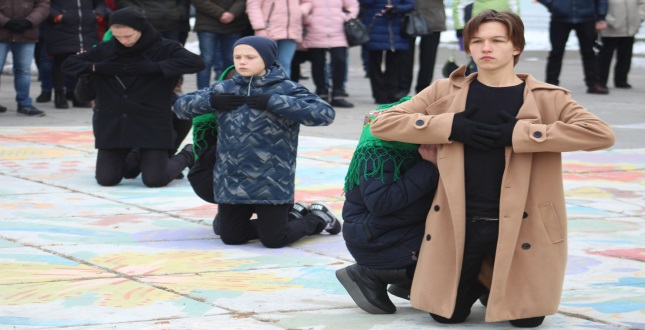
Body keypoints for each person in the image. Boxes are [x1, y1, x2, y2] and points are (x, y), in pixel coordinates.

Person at [370, 10, 615, 327]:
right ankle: (483, 281)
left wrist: (522, 134)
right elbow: (383, 123)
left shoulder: (547, 98)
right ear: (468, 48)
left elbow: (600, 134)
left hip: (523, 226)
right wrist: (448, 126)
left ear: (516, 47)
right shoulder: (445, 91)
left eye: (497, 40)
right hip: (459, 222)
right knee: (447, 316)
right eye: (477, 41)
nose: (486, 48)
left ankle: (495, 281)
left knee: (527, 321)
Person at [173, 36, 341, 248]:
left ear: (267, 58)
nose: (242, 62)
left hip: (271, 181)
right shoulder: (225, 88)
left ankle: (318, 218)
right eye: (238, 57)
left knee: (274, 240)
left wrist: (275, 101)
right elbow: (180, 107)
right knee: (231, 238)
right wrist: (211, 101)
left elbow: (325, 114)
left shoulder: (287, 89)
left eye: (250, 57)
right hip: (232, 180)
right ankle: (294, 216)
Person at [61, 7, 205, 187]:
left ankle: (188, 154)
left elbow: (197, 62)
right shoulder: (106, 50)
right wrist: (97, 68)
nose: (123, 41)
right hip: (114, 123)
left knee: (154, 180)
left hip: (151, 123)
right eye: (117, 36)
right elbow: (69, 64)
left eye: (128, 36)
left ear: (141, 29)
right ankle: (139, 154)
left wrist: (153, 68)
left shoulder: (163, 47)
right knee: (107, 179)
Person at [335, 99, 440, 314]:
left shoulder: (409, 149)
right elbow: (382, 202)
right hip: (377, 240)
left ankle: (408, 281)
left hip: (394, 232)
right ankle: (371, 273)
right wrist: (429, 168)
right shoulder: (379, 152)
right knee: (455, 263)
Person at [536, 0, 609, 94]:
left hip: (586, 18)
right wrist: (553, 5)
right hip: (560, 18)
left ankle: (593, 84)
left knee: (589, 52)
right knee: (556, 52)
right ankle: (551, 83)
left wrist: (601, 17)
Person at [45, 0, 105, 109]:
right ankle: (59, 95)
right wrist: (57, 16)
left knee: (80, 63)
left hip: (87, 30)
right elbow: (44, 4)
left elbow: (100, 4)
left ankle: (77, 96)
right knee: (60, 63)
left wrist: (97, 14)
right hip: (61, 29)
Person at [302, 0, 359, 108]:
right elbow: (302, 5)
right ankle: (321, 92)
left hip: (338, 32)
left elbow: (352, 4)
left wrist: (345, 17)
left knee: (340, 61)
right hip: (314, 31)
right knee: (317, 63)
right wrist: (308, 19)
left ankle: (338, 94)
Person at [0, 0, 49, 117]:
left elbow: (43, 5)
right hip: (2, 32)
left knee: (24, 70)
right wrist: (5, 22)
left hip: (26, 32)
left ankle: (24, 104)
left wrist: (29, 21)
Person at [359, 0, 414, 104]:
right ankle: (378, 95)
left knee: (394, 65)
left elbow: (410, 5)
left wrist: (397, 9)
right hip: (374, 25)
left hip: (396, 28)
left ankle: (391, 93)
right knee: (374, 65)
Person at [192, 0, 251, 89]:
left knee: (232, 60)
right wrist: (221, 14)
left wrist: (232, 13)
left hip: (233, 24)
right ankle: (202, 91)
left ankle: (230, 90)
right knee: (206, 60)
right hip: (207, 23)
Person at [245, 0, 311, 79]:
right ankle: (266, 89)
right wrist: (260, 28)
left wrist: (300, 10)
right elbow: (253, 6)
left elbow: (307, 2)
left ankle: (283, 89)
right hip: (267, 30)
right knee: (266, 64)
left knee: (285, 64)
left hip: (291, 31)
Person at [453, 0, 520, 75]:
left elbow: (514, 5)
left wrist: (516, 27)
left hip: (503, 25)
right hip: (478, 25)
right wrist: (460, 29)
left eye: (497, 41)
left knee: (501, 63)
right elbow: (459, 5)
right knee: (479, 64)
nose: (486, 49)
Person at [400, 0, 446, 94]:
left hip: (433, 19)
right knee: (404, 56)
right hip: (408, 17)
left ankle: (423, 89)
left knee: (428, 58)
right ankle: (403, 88)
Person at [598, 0, 645, 89]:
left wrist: (640, 17)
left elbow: (642, 3)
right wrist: (607, 19)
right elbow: (598, 4)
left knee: (625, 55)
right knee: (605, 56)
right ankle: (601, 80)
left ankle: (621, 80)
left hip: (630, 28)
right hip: (610, 28)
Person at [114, 0, 189, 43]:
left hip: (172, 25)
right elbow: (121, 1)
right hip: (146, 26)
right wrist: (139, 12)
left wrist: (179, 12)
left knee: (172, 60)